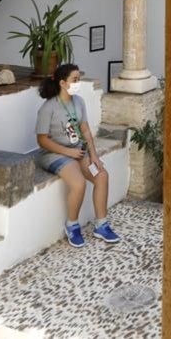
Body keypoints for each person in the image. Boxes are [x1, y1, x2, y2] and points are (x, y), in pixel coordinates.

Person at [35, 63, 120, 247]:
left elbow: (86, 130)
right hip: (54, 153)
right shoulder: (48, 108)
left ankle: (101, 225)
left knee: (101, 175)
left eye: (79, 79)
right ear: (63, 83)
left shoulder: (79, 101)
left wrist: (94, 156)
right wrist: (68, 152)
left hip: (78, 151)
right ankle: (72, 225)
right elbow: (41, 140)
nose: (78, 83)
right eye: (75, 79)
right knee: (78, 183)